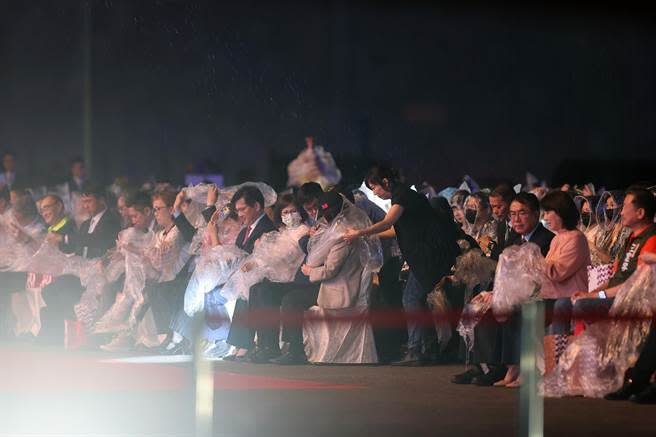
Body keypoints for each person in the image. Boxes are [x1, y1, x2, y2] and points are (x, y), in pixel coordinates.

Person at [343, 165, 460, 365]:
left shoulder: (402, 195)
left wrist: (360, 233)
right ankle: (428, 349)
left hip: (429, 256)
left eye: (375, 187)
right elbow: (395, 230)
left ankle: (416, 350)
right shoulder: (402, 196)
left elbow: (388, 223)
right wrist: (367, 237)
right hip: (423, 256)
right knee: (418, 300)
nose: (375, 193)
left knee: (411, 298)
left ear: (386, 182)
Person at [456, 192, 554, 386]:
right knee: (477, 305)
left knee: (506, 309)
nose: (516, 219)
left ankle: (502, 367)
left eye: (522, 213)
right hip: (515, 294)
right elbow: (505, 276)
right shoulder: (515, 240)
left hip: (538, 296)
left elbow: (537, 279)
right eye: (513, 214)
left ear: (536, 214)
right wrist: (492, 293)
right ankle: (482, 365)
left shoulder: (546, 240)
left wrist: (503, 297)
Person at [570, 187, 656, 326]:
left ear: (640, 213)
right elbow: (614, 277)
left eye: (624, 207)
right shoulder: (631, 237)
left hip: (630, 301)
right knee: (570, 302)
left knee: (582, 306)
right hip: (613, 295)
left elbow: (636, 286)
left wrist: (596, 296)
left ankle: (597, 345)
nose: (620, 212)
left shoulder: (652, 239)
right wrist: (591, 293)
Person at [217, 186, 277, 361]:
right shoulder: (245, 230)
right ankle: (239, 343)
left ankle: (244, 343)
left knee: (249, 290)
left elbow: (263, 257)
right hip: (246, 277)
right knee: (241, 290)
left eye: (243, 209)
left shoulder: (268, 228)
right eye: (237, 210)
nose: (240, 214)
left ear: (257, 206)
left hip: (264, 277)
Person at [38, 195, 83, 343]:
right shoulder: (47, 228)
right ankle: (51, 337)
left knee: (54, 292)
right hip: (53, 276)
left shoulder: (70, 226)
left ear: (59, 207)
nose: (44, 212)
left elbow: (74, 248)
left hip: (71, 276)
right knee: (46, 292)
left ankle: (63, 338)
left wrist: (60, 240)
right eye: (42, 209)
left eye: (47, 207)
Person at [75, 185, 122, 260]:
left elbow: (95, 240)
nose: (86, 206)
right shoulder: (85, 224)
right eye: (84, 202)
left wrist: (66, 238)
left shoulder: (111, 221)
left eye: (89, 201)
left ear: (101, 200)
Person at [489, 183, 515, 260]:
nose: (495, 211)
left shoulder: (521, 227)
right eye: (492, 207)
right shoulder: (501, 225)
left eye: (499, 207)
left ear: (511, 203)